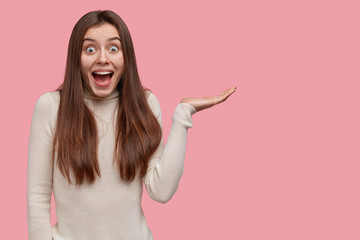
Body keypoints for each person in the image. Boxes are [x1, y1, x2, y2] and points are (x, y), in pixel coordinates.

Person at [27, 10, 236, 240]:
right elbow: (38, 197)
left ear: (127, 58)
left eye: (114, 48)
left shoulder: (144, 105)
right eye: (90, 49)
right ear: (76, 58)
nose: (103, 58)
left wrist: (182, 115)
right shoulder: (51, 107)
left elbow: (161, 190)